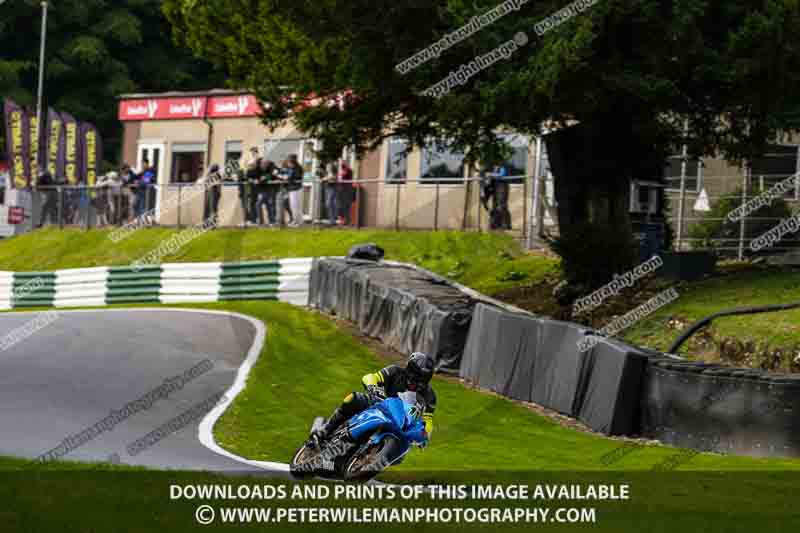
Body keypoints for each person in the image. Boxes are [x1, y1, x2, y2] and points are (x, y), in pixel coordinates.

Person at [311, 352, 436, 445]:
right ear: (410, 370)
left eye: (423, 379)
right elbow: (371, 377)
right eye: (417, 376)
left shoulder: (429, 396)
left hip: (401, 423)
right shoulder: (395, 371)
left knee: (405, 445)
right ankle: (325, 430)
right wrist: (373, 387)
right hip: (379, 404)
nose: (418, 382)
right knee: (353, 398)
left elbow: (428, 421)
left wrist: (425, 435)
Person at [485, 161, 512, 230]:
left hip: (502, 186)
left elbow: (502, 174)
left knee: (501, 206)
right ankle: (495, 225)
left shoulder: (502, 165)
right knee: (495, 206)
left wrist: (491, 174)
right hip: (495, 187)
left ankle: (505, 225)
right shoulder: (492, 165)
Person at [255, 159, 278, 225]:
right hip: (261, 190)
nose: (265, 165)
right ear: (261, 164)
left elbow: (273, 176)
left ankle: (271, 221)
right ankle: (261, 220)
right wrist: (263, 179)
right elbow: (258, 179)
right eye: (264, 164)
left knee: (269, 205)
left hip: (269, 189)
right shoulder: (258, 169)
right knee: (259, 204)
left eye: (266, 164)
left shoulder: (270, 168)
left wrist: (265, 177)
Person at [285, 154, 304, 227]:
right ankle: (299, 221)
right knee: (297, 206)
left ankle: (296, 221)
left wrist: (285, 177)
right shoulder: (296, 168)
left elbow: (290, 178)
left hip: (295, 189)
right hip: (295, 188)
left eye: (289, 162)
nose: (288, 164)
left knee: (294, 206)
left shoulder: (296, 168)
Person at [336, 160, 355, 225]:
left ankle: (347, 221)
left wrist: (342, 173)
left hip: (347, 190)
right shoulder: (342, 171)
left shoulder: (349, 171)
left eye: (344, 164)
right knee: (341, 205)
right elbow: (340, 179)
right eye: (342, 164)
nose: (342, 165)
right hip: (342, 190)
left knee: (347, 206)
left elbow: (345, 175)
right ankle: (342, 220)